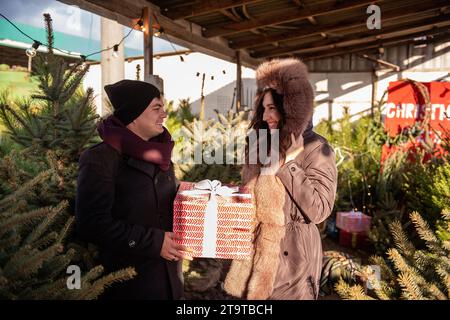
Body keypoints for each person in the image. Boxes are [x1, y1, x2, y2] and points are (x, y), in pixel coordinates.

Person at [224, 58, 338, 300]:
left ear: (292, 107)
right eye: (263, 108)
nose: (266, 116)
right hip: (253, 253)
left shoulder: (316, 147)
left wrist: (288, 165)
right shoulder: (259, 143)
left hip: (293, 262)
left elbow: (319, 210)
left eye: (273, 108)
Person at [75, 80, 191, 300]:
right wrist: (154, 242)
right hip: (132, 283)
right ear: (134, 115)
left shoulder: (160, 153)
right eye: (157, 108)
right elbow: (91, 224)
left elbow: (160, 202)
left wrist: (196, 197)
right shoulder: (100, 159)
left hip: (170, 281)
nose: (164, 114)